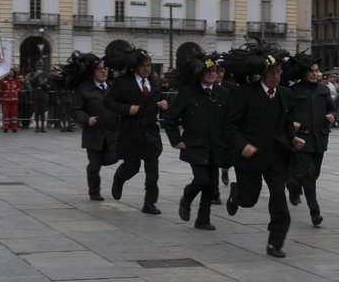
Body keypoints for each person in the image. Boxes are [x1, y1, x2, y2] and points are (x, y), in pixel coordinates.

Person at [221, 46, 294, 256]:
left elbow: (286, 122)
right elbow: (230, 125)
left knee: (280, 199)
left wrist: (294, 137)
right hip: (250, 158)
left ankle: (275, 243)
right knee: (248, 200)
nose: (276, 77)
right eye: (272, 73)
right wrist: (243, 145)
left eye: (279, 73)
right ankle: (236, 194)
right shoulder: (244, 94)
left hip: (275, 157)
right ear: (262, 74)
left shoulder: (284, 94)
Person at [163, 52, 230, 231]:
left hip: (215, 147)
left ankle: (203, 219)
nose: (211, 73)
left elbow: (230, 120)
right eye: (208, 71)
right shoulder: (188, 93)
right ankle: (187, 198)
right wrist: (176, 140)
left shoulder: (223, 93)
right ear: (200, 73)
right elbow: (170, 118)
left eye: (214, 70)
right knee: (201, 180)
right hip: (195, 145)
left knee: (211, 185)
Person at [105, 45, 166, 214]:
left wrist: (164, 104)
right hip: (131, 133)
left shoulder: (154, 82)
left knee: (153, 173)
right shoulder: (122, 82)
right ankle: (119, 179)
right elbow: (108, 102)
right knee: (132, 167)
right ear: (136, 66)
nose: (147, 69)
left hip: (151, 134)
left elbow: (160, 99)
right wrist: (126, 109)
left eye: (149, 65)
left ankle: (150, 203)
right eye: (144, 66)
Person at [285, 53, 336, 227]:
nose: (315, 74)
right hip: (303, 139)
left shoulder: (324, 90)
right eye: (311, 71)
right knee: (309, 174)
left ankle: (292, 184)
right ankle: (315, 212)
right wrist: (293, 123)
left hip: (320, 139)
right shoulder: (294, 91)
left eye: (316, 71)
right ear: (304, 73)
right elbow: (286, 114)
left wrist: (332, 116)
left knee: (314, 174)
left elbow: (333, 109)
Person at [65, 53, 118, 200]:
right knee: (94, 166)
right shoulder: (84, 89)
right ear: (92, 72)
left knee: (114, 158)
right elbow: (75, 109)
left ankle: (103, 165)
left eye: (105, 68)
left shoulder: (113, 88)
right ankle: (94, 192)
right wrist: (87, 119)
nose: (103, 71)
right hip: (94, 134)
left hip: (113, 133)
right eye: (100, 69)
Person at [0, 67, 23, 132]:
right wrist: (1, 98)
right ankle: (6, 127)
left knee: (14, 114)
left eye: (12, 72)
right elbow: (0, 90)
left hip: (14, 100)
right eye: (9, 72)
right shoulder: (3, 81)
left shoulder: (16, 80)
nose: (11, 73)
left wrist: (17, 91)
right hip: (6, 100)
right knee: (6, 114)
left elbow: (19, 87)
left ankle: (14, 127)